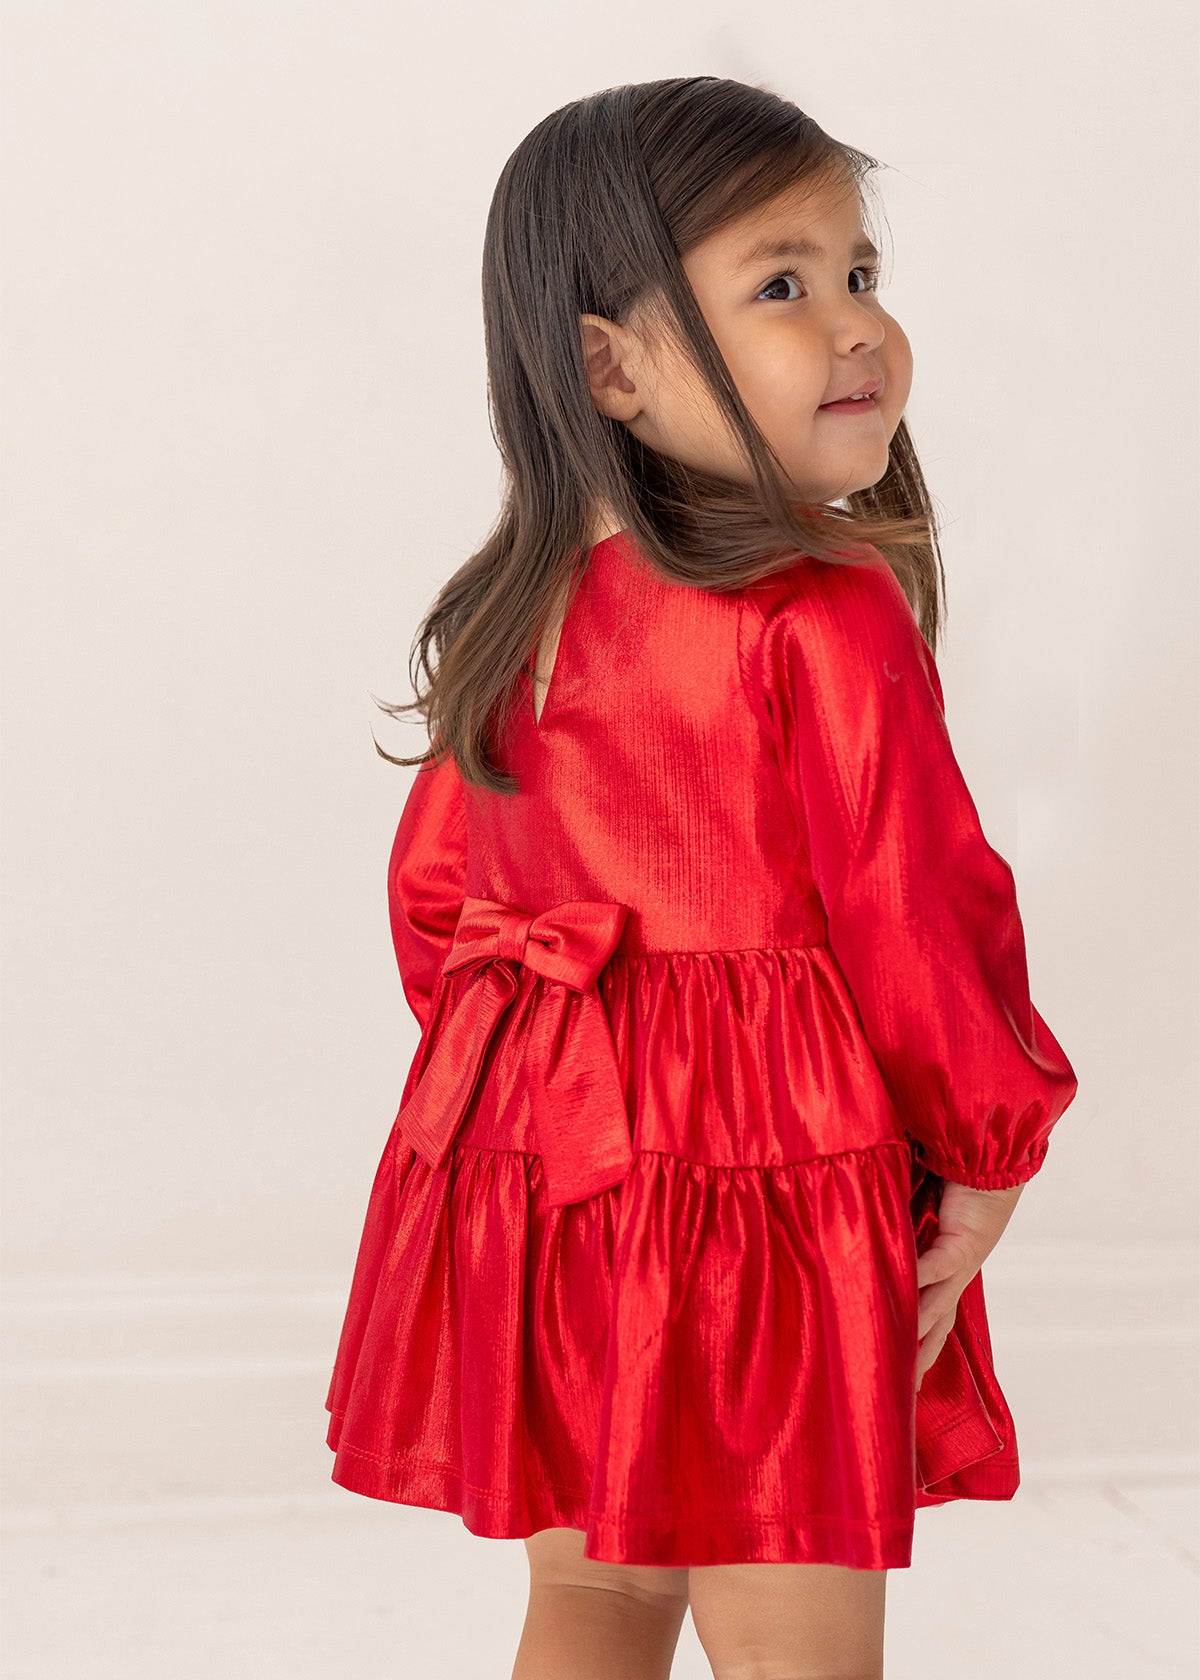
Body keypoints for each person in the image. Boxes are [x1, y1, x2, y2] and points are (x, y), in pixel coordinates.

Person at [323, 77, 1079, 1680]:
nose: (857, 325)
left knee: (593, 1597)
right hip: (761, 1194)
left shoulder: (512, 616)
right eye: (783, 285)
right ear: (609, 363)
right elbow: (919, 907)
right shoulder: (821, 612)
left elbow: (443, 909)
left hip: (552, 1184)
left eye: (861, 274)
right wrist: (987, 1139)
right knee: (791, 1632)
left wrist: (535, 1099)